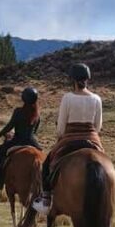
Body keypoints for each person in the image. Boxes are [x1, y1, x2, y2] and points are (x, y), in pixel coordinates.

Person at [32, 63, 103, 214]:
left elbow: (61, 128)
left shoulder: (67, 98)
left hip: (70, 137)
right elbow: (98, 126)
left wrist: (60, 136)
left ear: (72, 80)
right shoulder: (97, 99)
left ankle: (46, 200)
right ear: (87, 79)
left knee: (47, 164)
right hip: (92, 137)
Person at [0, 87, 41, 189]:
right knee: (44, 158)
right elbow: (34, 131)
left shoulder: (18, 111)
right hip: (32, 141)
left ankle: (0, 179)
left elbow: (8, 127)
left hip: (17, 141)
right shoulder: (37, 114)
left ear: (23, 98)